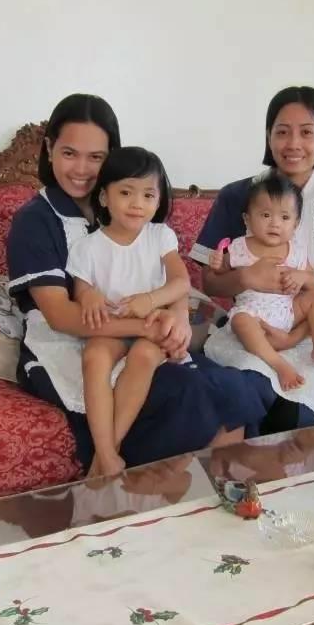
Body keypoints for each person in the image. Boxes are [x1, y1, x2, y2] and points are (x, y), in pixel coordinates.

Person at [6, 93, 274, 472]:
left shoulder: (130, 209)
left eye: (96, 157)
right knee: (186, 392)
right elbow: (62, 316)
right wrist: (147, 326)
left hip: (146, 328)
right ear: (49, 149)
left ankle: (212, 497)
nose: (81, 168)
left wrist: (178, 317)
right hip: (70, 342)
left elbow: (170, 275)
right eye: (69, 153)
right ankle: (120, 478)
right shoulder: (36, 220)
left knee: (235, 386)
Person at [190, 86, 314, 428]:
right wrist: (244, 277)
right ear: (268, 137)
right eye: (282, 132)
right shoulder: (238, 196)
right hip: (255, 322)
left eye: (306, 132)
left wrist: (294, 336)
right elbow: (210, 282)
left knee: (300, 408)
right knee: (242, 391)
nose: (293, 144)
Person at [67, 147, 190, 476]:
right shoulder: (86, 247)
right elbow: (81, 290)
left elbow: (181, 282)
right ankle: (108, 455)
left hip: (151, 324)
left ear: (158, 200)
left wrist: (149, 300)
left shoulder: (160, 236)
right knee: (94, 356)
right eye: (126, 193)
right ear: (104, 197)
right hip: (113, 327)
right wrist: (89, 295)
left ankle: (105, 456)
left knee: (145, 356)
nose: (137, 203)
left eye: (148, 195)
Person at [208, 169, 314, 392]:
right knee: (240, 320)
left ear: (296, 224)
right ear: (247, 219)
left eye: (285, 217)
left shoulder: (296, 251)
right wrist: (218, 263)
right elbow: (221, 272)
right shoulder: (240, 246)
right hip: (254, 316)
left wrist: (301, 277)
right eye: (266, 215)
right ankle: (279, 365)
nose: (275, 224)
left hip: (289, 312)